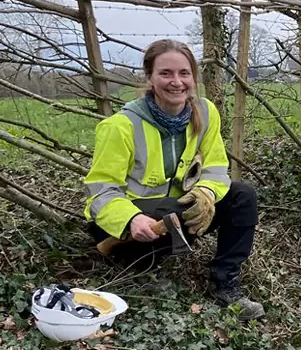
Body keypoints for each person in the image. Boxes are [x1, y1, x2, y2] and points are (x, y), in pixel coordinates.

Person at [83, 39, 263, 319]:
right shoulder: (120, 126)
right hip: (125, 226)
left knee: (243, 196)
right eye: (166, 73)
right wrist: (131, 220)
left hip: (173, 215)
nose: (176, 82)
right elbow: (101, 193)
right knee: (169, 213)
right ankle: (140, 268)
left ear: (193, 77)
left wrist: (206, 193)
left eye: (184, 73)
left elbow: (216, 168)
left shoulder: (205, 113)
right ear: (150, 79)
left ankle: (225, 282)